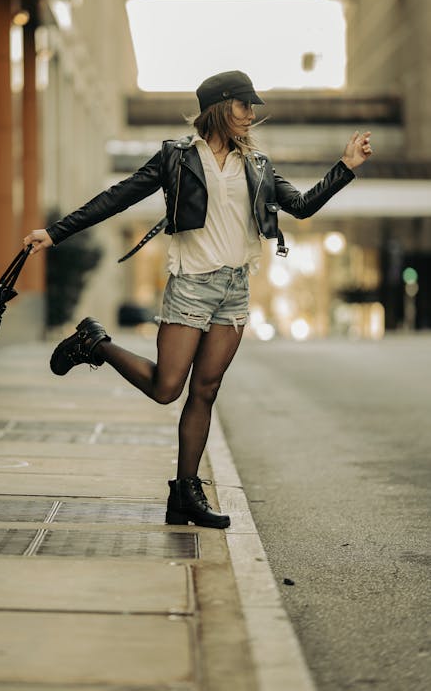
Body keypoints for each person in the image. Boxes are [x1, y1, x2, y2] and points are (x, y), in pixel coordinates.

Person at [23, 70, 372, 529]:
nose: (251, 115)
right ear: (220, 107)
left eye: (252, 108)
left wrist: (345, 167)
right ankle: (95, 345)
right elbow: (118, 198)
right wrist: (55, 232)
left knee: (205, 391)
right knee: (167, 388)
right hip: (191, 283)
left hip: (235, 289)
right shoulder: (177, 158)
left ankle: (185, 492)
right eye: (244, 105)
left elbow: (302, 206)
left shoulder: (258, 165)